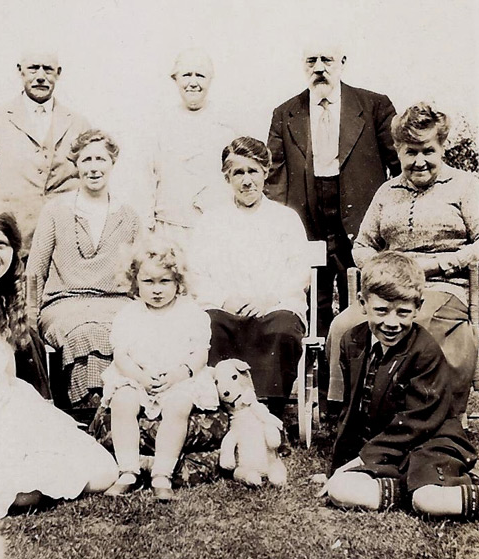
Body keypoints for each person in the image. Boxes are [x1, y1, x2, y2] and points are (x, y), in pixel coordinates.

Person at [327, 103, 479, 415]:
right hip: (388, 289)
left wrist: (439, 263)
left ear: (442, 148)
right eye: (411, 152)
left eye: (428, 151)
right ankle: (350, 409)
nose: (419, 161)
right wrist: (384, 270)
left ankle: (415, 411)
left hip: (443, 287)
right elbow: (364, 246)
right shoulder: (386, 191)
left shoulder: (465, 186)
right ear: (398, 151)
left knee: (415, 324)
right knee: (343, 325)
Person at [0, 202, 118, 523]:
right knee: (10, 487)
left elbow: (5, 376)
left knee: (101, 471)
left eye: (1, 244)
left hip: (6, 408)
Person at [324, 251, 479, 518]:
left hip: (430, 441)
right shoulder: (351, 340)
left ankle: (428, 492)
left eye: (404, 312)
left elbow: (420, 420)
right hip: (389, 448)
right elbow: (351, 410)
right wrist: (340, 465)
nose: (392, 323)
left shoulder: (425, 350)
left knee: (429, 501)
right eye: (381, 310)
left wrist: (364, 458)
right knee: (340, 488)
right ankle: (406, 489)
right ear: (363, 303)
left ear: (418, 308)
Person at [266, 37, 400, 341]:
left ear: (342, 63)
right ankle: (324, 380)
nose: (319, 68)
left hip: (361, 220)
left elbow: (398, 166)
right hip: (309, 220)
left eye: (327, 60)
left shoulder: (374, 106)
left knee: (366, 298)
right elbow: (274, 178)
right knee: (316, 303)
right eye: (311, 61)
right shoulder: (285, 113)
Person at [189, 136, 310, 419]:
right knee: (210, 326)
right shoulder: (211, 221)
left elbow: (299, 271)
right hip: (227, 310)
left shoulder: (285, 219)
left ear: (266, 172)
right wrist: (225, 299)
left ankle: (268, 415)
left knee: (282, 329)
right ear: (226, 177)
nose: (247, 181)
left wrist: (269, 298)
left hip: (273, 307)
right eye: (238, 173)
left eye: (253, 171)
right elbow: (195, 271)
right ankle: (223, 414)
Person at [98, 236, 219, 500]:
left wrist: (181, 373)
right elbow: (121, 355)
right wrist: (138, 376)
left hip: (178, 378)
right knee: (122, 400)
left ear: (179, 282)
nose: (156, 290)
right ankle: (128, 469)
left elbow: (200, 352)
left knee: (178, 406)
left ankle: (163, 473)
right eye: (148, 282)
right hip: (138, 377)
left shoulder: (191, 313)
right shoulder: (129, 314)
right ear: (135, 282)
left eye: (165, 281)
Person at [26, 130, 141, 407]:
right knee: (86, 331)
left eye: (100, 159)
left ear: (112, 163)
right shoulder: (55, 211)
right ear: (76, 165)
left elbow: (141, 273)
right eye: (86, 159)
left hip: (117, 302)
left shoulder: (129, 216)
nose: (93, 167)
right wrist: (29, 316)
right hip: (65, 304)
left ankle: (129, 408)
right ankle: (91, 410)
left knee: (134, 331)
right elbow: (35, 270)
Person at [0, 50, 89, 253]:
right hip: (13, 237)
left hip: (64, 239)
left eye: (48, 69)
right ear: (20, 71)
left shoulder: (78, 123)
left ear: (58, 73)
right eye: (33, 68)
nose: (40, 76)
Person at [146, 48, 236, 245]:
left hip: (214, 225)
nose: (193, 83)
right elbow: (147, 178)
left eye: (200, 75)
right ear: (175, 79)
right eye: (186, 75)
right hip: (170, 227)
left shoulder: (226, 125)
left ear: (210, 80)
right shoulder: (161, 124)